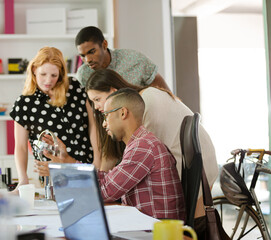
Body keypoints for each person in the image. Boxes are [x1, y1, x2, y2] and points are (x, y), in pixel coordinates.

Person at [84, 69, 218, 234]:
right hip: (189, 162)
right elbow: (121, 170)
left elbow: (136, 159)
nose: (97, 108)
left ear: (121, 107)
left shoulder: (144, 135)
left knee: (197, 227)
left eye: (97, 100)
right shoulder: (142, 135)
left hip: (199, 163)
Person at [40, 88, 185, 220]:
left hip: (157, 231)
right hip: (146, 225)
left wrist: (65, 173)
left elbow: (105, 191)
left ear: (123, 113)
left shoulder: (143, 147)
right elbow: (107, 179)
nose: (103, 124)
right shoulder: (139, 144)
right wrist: (67, 161)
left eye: (105, 116)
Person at [9, 47, 100, 190]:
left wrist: (97, 160)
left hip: (85, 166)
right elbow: (20, 147)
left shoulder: (75, 88)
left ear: (61, 74)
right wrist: (23, 179)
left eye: (54, 75)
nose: (48, 80)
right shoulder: (24, 103)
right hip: (54, 177)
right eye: (43, 74)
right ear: (34, 69)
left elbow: (93, 126)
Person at [75, 26, 170, 91]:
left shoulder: (135, 59)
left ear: (104, 45)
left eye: (91, 52)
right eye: (82, 56)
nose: (87, 60)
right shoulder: (83, 75)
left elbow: (165, 94)